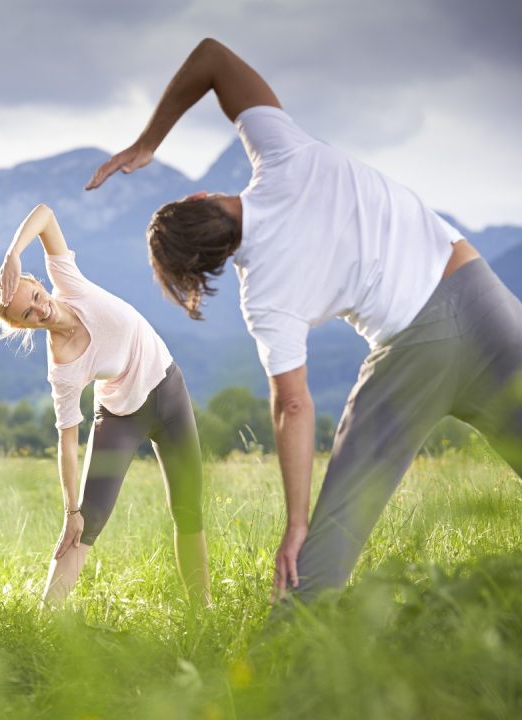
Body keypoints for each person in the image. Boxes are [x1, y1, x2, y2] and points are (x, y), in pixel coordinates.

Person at [86, 38, 522, 604]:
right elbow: (212, 58)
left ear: (206, 269)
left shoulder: (261, 296)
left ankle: (286, 663)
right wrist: (147, 143)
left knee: (325, 550)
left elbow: (293, 405)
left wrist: (296, 523)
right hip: (480, 292)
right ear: (203, 195)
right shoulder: (284, 153)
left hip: (417, 350)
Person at [0, 203, 211, 606]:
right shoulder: (63, 368)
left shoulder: (69, 283)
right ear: (21, 326)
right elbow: (67, 441)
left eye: (35, 295)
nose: (40, 309)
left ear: (38, 282)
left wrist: (12, 254)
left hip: (170, 390)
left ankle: (204, 609)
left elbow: (45, 216)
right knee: (85, 524)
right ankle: (44, 621)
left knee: (188, 507)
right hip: (123, 416)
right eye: (28, 315)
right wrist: (71, 509)